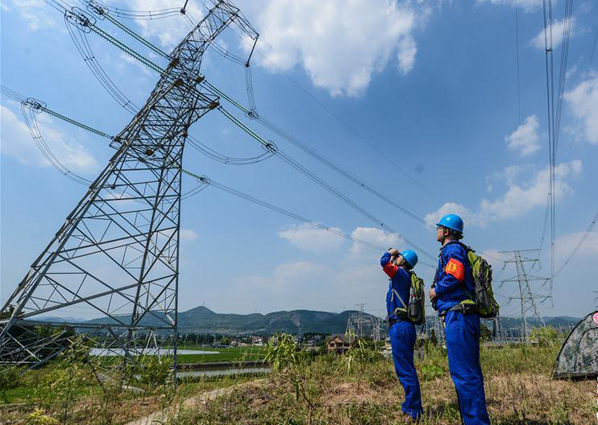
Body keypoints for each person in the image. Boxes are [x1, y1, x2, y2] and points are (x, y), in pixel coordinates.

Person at [429, 214, 490, 425]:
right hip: (463, 315)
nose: (436, 231)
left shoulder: (452, 249)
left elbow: (455, 275)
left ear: (446, 231)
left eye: (439, 227)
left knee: (464, 374)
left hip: (459, 316)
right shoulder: (456, 249)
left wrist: (436, 290)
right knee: (469, 372)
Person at [381, 248, 423, 421]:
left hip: (400, 326)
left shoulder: (401, 275)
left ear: (403, 261)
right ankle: (412, 407)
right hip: (403, 326)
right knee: (405, 368)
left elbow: (384, 263)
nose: (396, 258)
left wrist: (390, 252)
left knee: (405, 370)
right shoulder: (403, 276)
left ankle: (413, 411)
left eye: (399, 257)